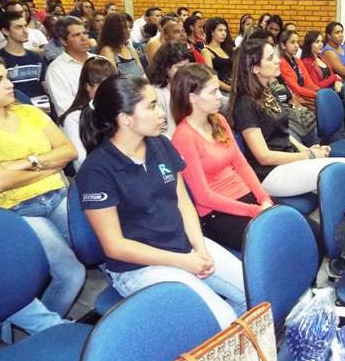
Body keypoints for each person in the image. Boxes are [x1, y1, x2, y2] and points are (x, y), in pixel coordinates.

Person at [76, 74, 246, 328]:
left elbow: (183, 202)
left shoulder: (161, 144)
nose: (161, 113)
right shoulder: (96, 171)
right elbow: (115, 246)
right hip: (139, 267)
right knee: (220, 320)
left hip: (183, 247)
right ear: (125, 118)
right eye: (152, 106)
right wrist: (183, 261)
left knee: (254, 290)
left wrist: (199, 247)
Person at [0, 56, 85, 339]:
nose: (10, 84)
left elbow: (68, 151)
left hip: (57, 194)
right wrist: (47, 164)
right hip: (17, 210)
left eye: (7, 77)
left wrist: (22, 164)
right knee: (71, 273)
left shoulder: (29, 112)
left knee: (98, 242)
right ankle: (46, 334)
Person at [228, 38, 345, 197]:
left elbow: (283, 133)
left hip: (287, 161)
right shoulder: (245, 104)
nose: (278, 60)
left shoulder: (267, 93)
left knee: (340, 185)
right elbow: (264, 157)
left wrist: (308, 150)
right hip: (270, 173)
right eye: (270, 58)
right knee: (344, 168)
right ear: (255, 68)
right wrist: (309, 156)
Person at [170, 63, 273, 251]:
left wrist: (264, 198)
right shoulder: (183, 137)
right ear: (193, 98)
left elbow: (241, 165)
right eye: (213, 92)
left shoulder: (219, 120)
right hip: (219, 212)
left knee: (304, 228)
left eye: (218, 90)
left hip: (245, 196)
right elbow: (203, 196)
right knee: (276, 240)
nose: (220, 96)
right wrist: (254, 210)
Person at [58, 57, 117, 171]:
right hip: (96, 174)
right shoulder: (73, 118)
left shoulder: (120, 109)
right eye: (103, 86)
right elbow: (82, 162)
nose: (109, 91)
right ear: (87, 87)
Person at [46, 16, 97, 115]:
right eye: (76, 35)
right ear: (63, 41)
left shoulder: (100, 60)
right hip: (80, 121)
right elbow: (67, 110)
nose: (84, 38)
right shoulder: (56, 70)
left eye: (84, 33)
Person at [0, 11, 47, 100]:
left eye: (25, 26)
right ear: (6, 31)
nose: (25, 31)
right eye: (18, 27)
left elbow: (45, 84)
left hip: (41, 105)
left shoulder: (36, 57)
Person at [146, 41, 192, 138]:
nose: (184, 72)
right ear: (166, 67)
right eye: (179, 68)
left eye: (187, 67)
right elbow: (160, 131)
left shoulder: (189, 86)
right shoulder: (157, 93)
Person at [277, 29, 319, 110]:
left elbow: (309, 83)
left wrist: (321, 93)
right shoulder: (281, 62)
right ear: (283, 45)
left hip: (305, 92)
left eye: (297, 42)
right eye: (292, 42)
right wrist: (316, 94)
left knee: (325, 99)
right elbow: (296, 89)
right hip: (295, 95)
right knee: (322, 104)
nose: (296, 46)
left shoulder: (298, 61)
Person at [96, 12, 145, 77]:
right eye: (126, 27)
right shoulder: (107, 50)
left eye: (129, 27)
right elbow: (113, 78)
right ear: (116, 30)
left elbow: (143, 75)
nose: (129, 30)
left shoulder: (132, 50)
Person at [202, 17, 234, 95]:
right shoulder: (206, 51)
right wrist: (231, 89)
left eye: (225, 31)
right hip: (219, 90)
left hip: (231, 85)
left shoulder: (226, 49)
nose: (223, 33)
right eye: (220, 30)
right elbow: (210, 76)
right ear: (212, 32)